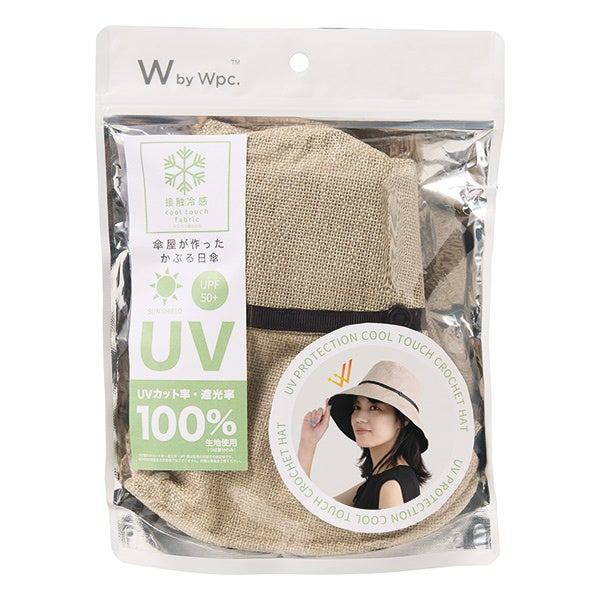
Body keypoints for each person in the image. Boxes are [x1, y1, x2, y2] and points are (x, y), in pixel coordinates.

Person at [298, 360, 430, 510]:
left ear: (403, 420)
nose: (359, 418)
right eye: (357, 407)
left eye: (374, 408)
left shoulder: (391, 485)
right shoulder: (380, 480)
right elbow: (310, 512)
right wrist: (308, 441)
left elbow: (309, 514)